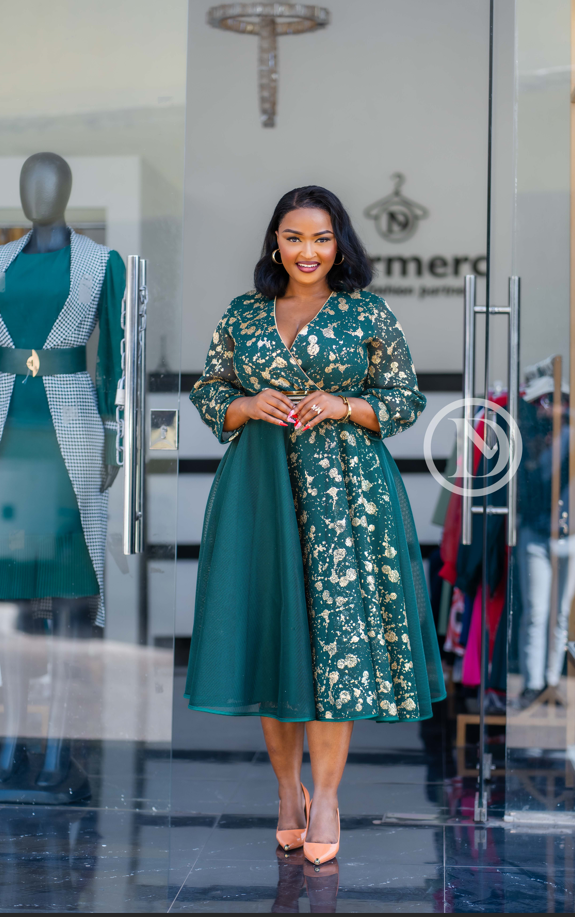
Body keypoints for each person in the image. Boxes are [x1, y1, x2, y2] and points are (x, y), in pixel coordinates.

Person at [186, 185, 445, 864]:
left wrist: (344, 403)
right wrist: (245, 403)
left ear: (340, 244)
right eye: (295, 237)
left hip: (349, 493)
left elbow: (405, 395)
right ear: (276, 241)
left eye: (322, 238)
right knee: (276, 634)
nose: (308, 251)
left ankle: (327, 796)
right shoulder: (244, 314)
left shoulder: (366, 311)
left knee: (339, 640)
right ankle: (287, 791)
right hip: (259, 488)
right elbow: (209, 387)